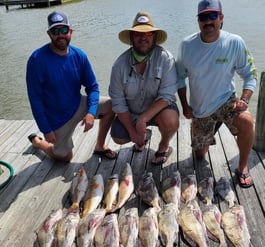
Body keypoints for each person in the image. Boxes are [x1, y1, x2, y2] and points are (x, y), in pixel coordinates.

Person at [177, 0, 257, 188]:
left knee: (246, 121)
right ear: (198, 21)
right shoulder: (186, 45)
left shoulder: (234, 42)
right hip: (201, 109)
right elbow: (180, 78)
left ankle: (243, 167)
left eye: (213, 16)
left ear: (221, 18)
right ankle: (211, 129)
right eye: (203, 17)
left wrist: (245, 99)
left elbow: (250, 74)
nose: (208, 22)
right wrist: (184, 106)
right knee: (200, 156)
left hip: (226, 102)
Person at [26, 11, 116, 162]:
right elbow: (35, 100)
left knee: (111, 105)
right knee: (65, 158)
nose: (60, 35)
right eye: (55, 31)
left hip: (77, 104)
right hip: (56, 118)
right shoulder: (36, 60)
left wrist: (91, 112)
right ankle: (39, 143)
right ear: (49, 34)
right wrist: (46, 130)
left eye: (64, 30)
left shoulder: (79, 55)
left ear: (70, 31)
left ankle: (100, 146)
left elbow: (93, 87)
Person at [108, 12, 179, 165]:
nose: (143, 38)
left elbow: (167, 95)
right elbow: (118, 102)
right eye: (138, 34)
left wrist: (143, 119)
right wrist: (133, 133)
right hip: (132, 111)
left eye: (147, 33)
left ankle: (164, 145)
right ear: (132, 37)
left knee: (171, 121)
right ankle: (143, 136)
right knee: (118, 136)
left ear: (154, 36)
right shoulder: (119, 65)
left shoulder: (166, 58)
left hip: (158, 110)